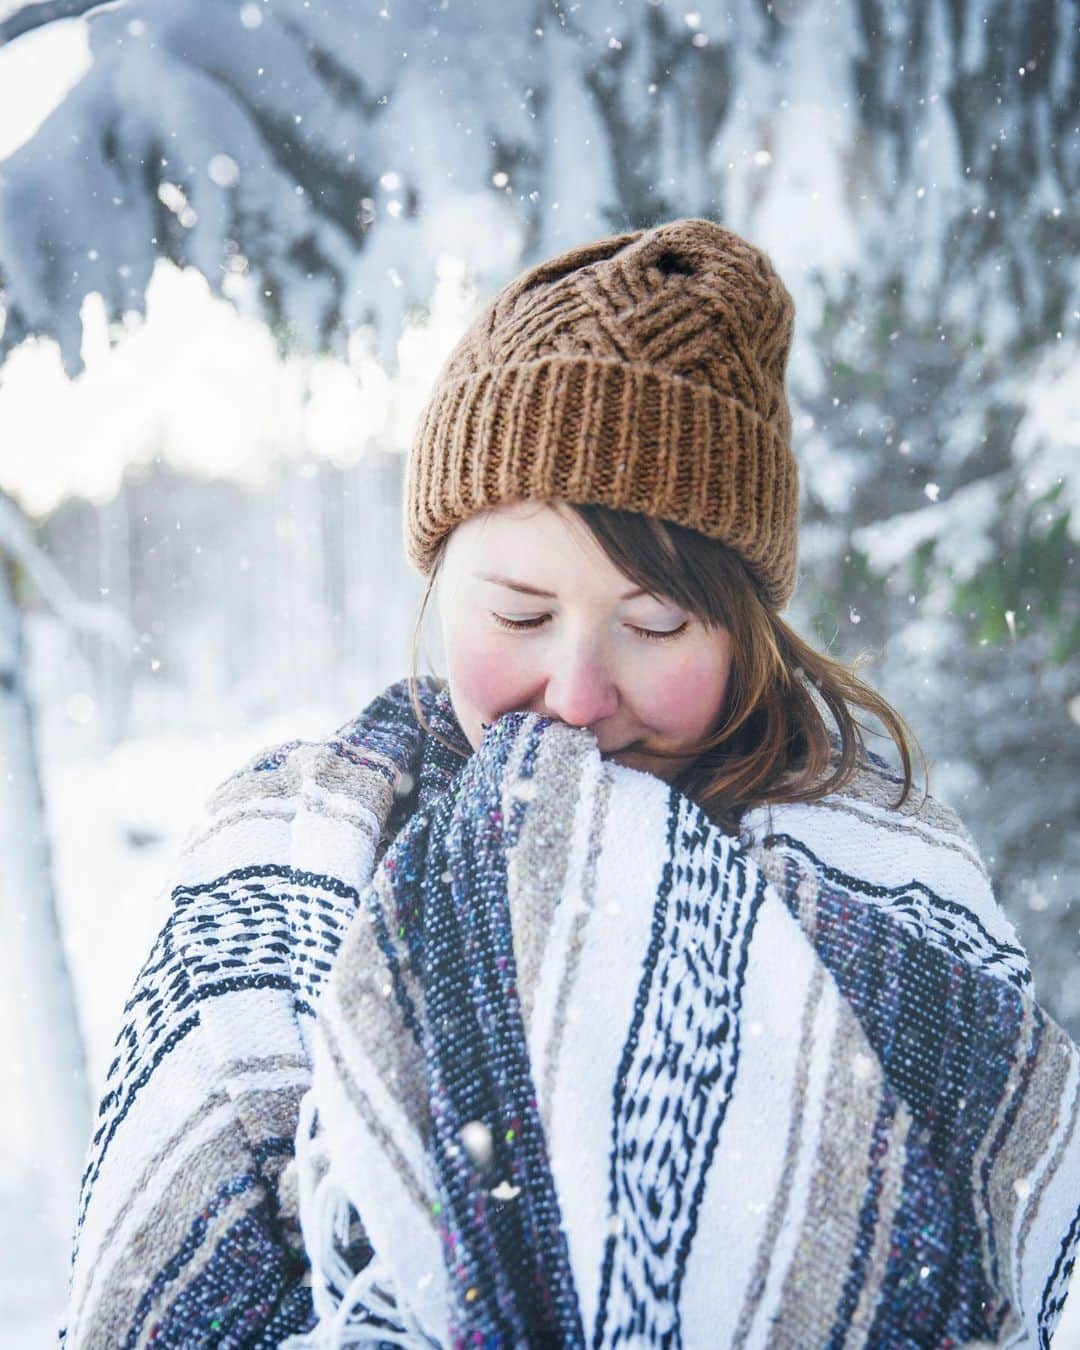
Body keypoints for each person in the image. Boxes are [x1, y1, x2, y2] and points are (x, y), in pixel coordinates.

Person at [60, 219, 1080, 1349]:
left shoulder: (883, 869)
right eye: (521, 615)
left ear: (745, 634)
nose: (579, 692)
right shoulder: (287, 851)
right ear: (442, 581)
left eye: (655, 622)